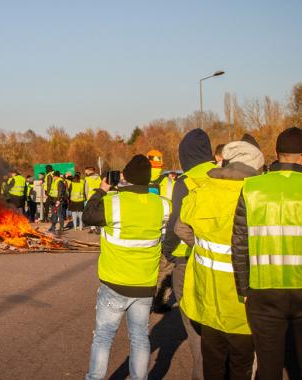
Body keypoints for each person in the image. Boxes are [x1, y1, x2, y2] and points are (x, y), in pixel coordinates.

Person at [176, 140, 264, 379]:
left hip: (209, 300)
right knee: (241, 367)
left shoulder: (202, 191)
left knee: (213, 367)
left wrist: (203, 247)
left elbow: (181, 229)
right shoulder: (259, 197)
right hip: (244, 306)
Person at [83, 155, 171, 380]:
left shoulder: (113, 202)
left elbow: (88, 215)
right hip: (145, 285)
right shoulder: (162, 205)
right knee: (140, 337)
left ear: (126, 178)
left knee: (103, 337)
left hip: (114, 283)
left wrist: (102, 189)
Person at [232, 127, 302, 380]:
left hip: (263, 291)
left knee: (269, 368)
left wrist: (244, 291)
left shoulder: (252, 188)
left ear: (277, 154)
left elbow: (239, 244)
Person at [162, 128, 217, 380]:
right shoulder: (222, 175)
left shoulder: (185, 181)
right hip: (221, 259)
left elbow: (177, 222)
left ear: (185, 155)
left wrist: (167, 251)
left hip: (188, 258)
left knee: (195, 329)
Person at [47, 170, 67, 236]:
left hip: (58, 200)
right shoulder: (54, 181)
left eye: (53, 176)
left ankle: (61, 227)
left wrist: (58, 200)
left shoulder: (60, 182)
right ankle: (53, 227)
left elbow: (60, 192)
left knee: (59, 214)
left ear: (56, 176)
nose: (53, 177)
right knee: (54, 214)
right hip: (53, 199)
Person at [84, 167, 102, 234]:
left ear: (90, 171)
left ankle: (93, 228)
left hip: (90, 197)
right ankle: (98, 227)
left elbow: (86, 189)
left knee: (91, 213)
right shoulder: (99, 178)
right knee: (97, 212)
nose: (85, 173)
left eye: (86, 171)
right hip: (99, 196)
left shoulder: (87, 179)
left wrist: (86, 197)